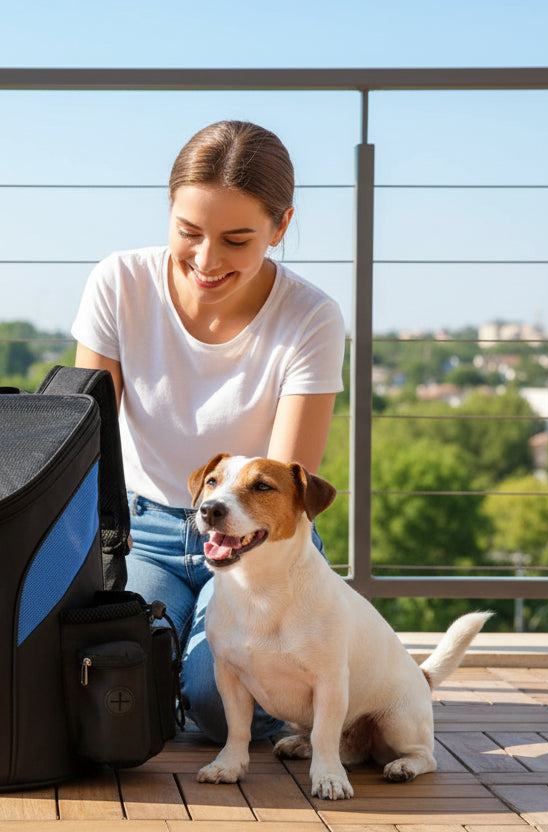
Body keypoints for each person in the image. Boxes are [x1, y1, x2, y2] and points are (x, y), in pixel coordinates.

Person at [70, 120, 346, 742]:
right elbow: (83, 446)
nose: (206, 260)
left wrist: (234, 553)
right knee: (114, 680)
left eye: (237, 239)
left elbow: (282, 497)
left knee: (221, 711)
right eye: (188, 232)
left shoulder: (312, 318)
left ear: (280, 227)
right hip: (147, 532)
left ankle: (194, 681)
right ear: (167, 212)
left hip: (261, 544)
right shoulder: (120, 282)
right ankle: (176, 671)